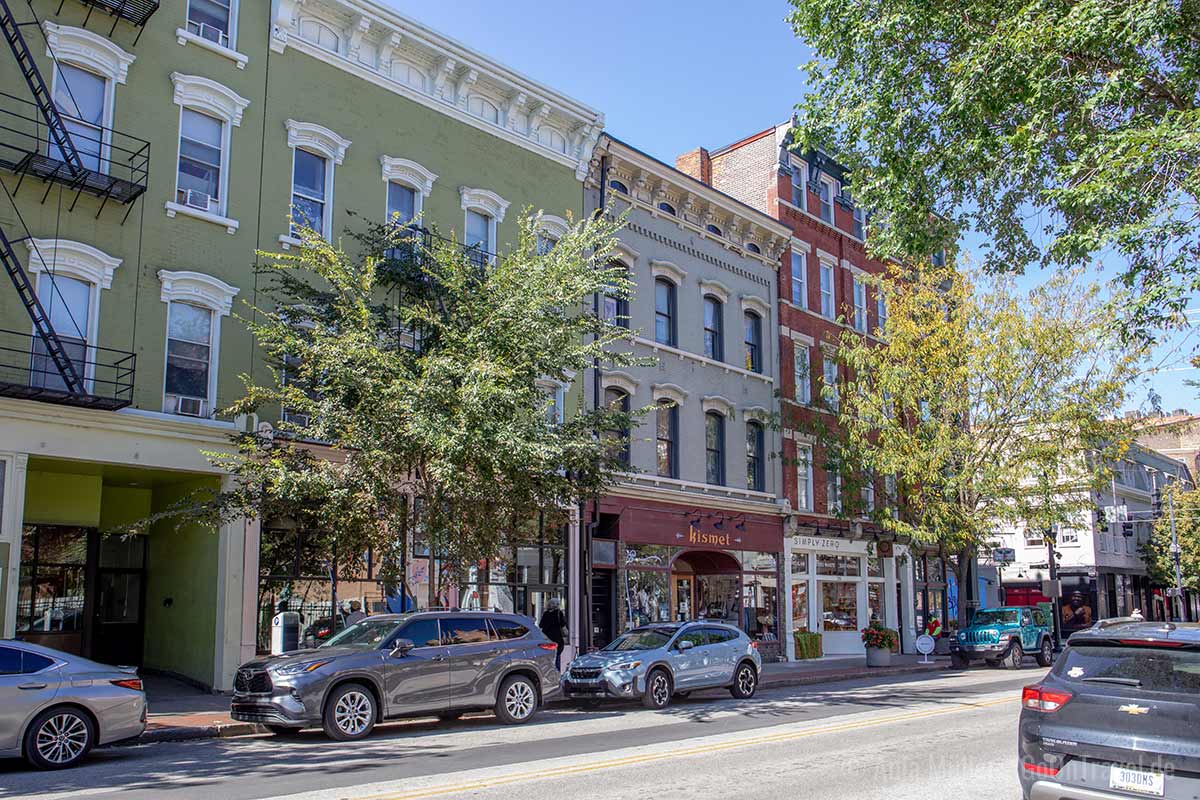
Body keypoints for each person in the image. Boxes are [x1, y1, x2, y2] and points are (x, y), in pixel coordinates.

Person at [538, 599, 568, 670]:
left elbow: (540, 625)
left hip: (547, 638)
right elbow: (563, 625)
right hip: (557, 639)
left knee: (548, 658)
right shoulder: (559, 613)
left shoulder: (545, 614)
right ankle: (556, 673)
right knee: (557, 657)